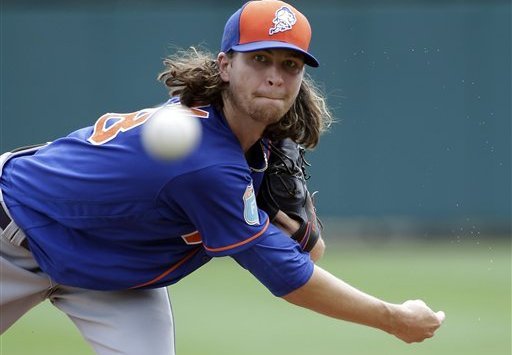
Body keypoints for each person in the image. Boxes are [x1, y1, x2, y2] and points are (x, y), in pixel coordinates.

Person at [0, 1, 445, 354]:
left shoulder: (253, 146)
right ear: (225, 66)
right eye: (260, 59)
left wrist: (295, 225)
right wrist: (393, 318)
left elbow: (312, 251)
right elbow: (288, 276)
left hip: (111, 271)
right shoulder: (204, 160)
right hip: (14, 235)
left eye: (290, 65)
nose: (274, 76)